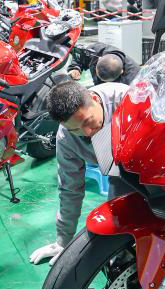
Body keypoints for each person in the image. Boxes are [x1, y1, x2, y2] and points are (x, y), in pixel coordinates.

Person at [29, 81, 132, 266]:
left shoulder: (128, 99)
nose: (87, 132)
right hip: (119, 173)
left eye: (87, 121)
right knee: (118, 217)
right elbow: (70, 189)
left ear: (94, 99)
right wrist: (63, 241)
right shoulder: (66, 137)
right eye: (75, 129)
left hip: (156, 163)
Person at [67, 42, 140, 85]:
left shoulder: (133, 79)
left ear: (121, 72)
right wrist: (75, 68)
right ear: (99, 59)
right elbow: (78, 56)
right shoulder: (94, 50)